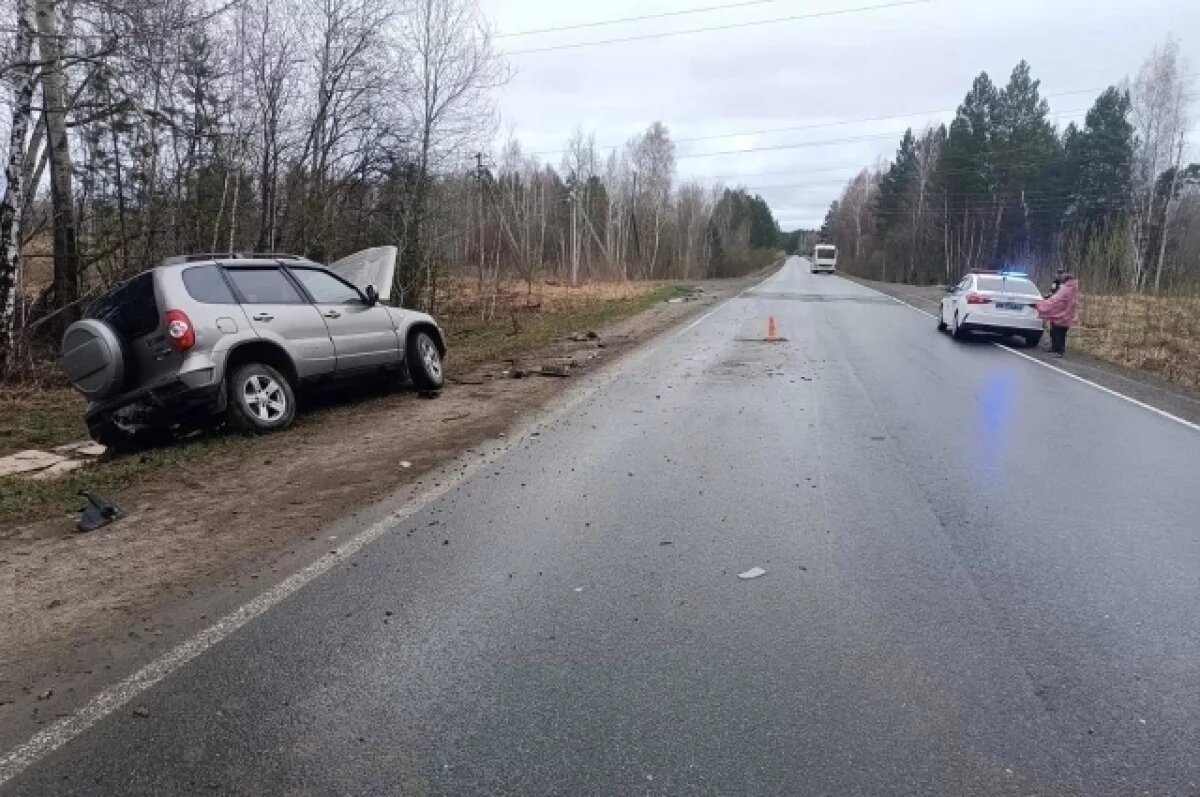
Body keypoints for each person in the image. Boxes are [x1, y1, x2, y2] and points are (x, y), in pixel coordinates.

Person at [1035, 273, 1079, 357]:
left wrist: (1041, 305)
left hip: (1061, 315)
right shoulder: (1072, 289)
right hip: (1064, 314)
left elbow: (1056, 300)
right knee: (1057, 332)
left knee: (1058, 333)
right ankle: (1055, 348)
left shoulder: (1067, 289)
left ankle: (1059, 350)